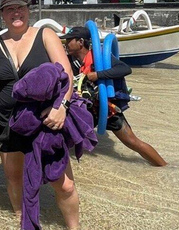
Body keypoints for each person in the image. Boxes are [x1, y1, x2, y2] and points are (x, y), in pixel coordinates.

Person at [0, 0, 81, 230]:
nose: (16, 13)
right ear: (2, 13)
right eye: (9, 9)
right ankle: (20, 218)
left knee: (63, 184)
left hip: (45, 122)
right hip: (6, 122)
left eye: (20, 7)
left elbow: (66, 74)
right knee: (13, 177)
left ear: (28, 9)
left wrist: (61, 108)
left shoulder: (45, 35)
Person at [63, 27, 167, 167]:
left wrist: (98, 75)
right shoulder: (70, 61)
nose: (66, 43)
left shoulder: (99, 57)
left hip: (107, 110)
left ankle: (163, 166)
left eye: (69, 40)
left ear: (80, 42)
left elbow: (125, 69)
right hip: (85, 109)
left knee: (132, 141)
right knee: (60, 135)